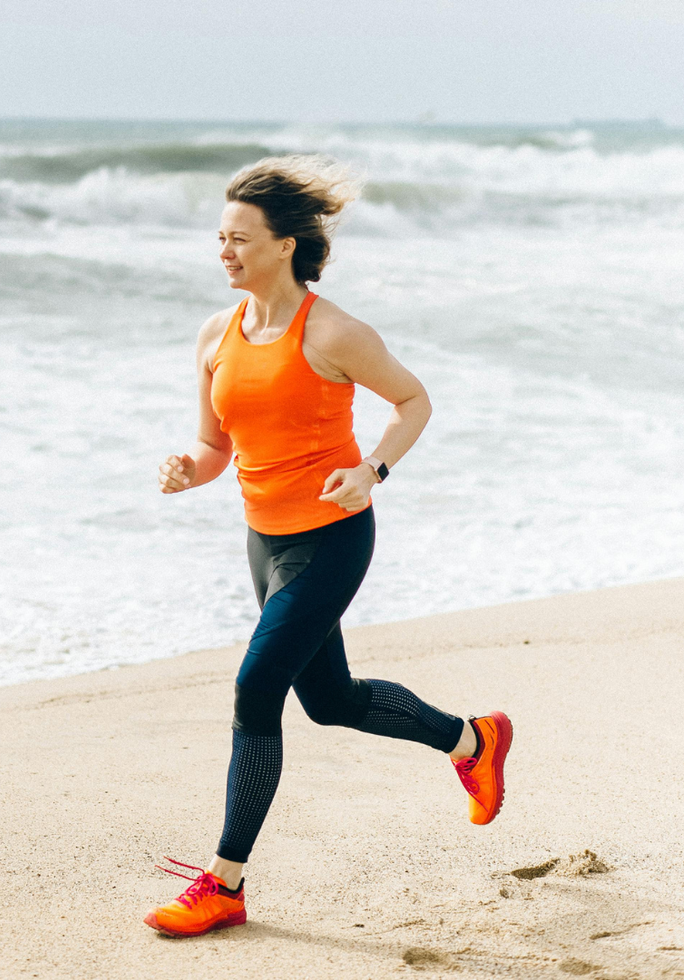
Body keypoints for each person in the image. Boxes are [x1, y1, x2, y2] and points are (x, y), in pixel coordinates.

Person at [146, 156, 512, 938]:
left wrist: (373, 469)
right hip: (265, 540)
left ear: (285, 245)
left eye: (240, 238)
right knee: (331, 701)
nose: (224, 251)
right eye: (220, 238)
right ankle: (472, 739)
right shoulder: (217, 334)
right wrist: (190, 472)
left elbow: (413, 401)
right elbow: (216, 447)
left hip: (332, 540)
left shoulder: (336, 331)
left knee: (256, 689)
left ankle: (225, 883)